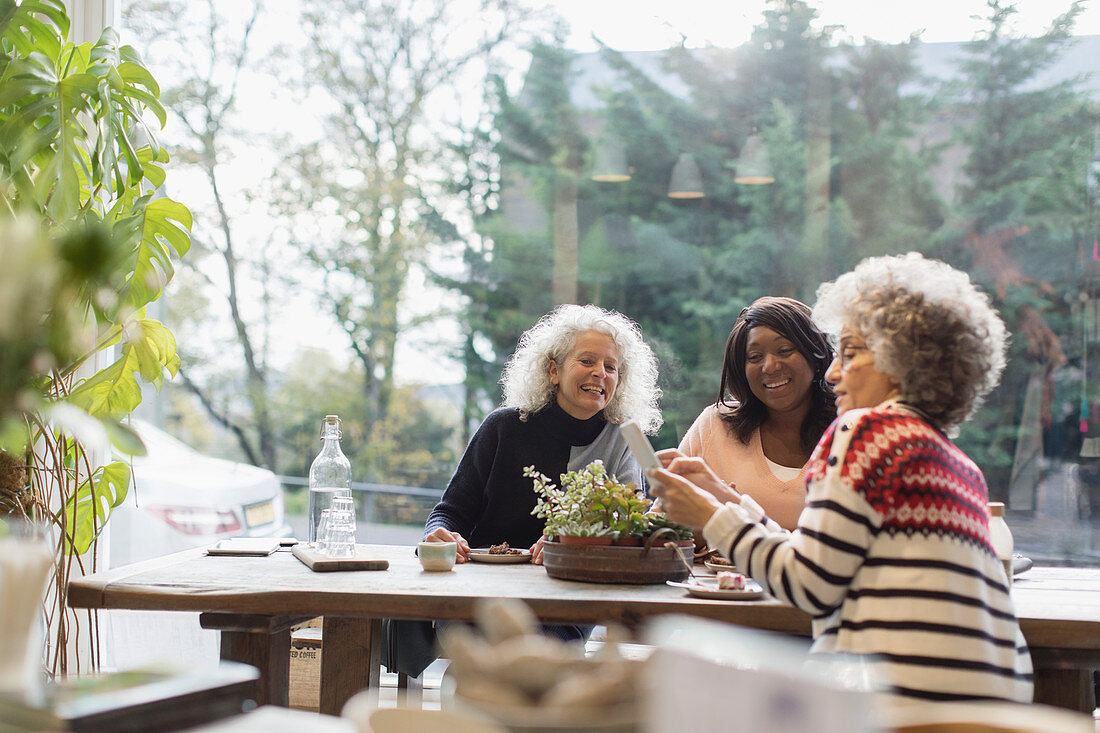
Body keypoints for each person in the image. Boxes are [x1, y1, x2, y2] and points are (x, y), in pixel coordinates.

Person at [651, 253, 1033, 703]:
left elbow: (807, 584)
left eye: (850, 353)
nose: (832, 372)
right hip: (987, 707)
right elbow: (823, 556)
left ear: (901, 360)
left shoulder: (867, 432)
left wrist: (712, 516)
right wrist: (719, 497)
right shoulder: (958, 464)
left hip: (898, 707)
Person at [384, 303, 662, 678]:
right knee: (490, 659)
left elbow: (631, 524)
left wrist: (572, 544)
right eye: (587, 361)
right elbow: (450, 511)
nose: (600, 373)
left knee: (528, 666)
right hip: (479, 596)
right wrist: (438, 533)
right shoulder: (502, 428)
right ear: (553, 369)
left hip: (566, 604)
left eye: (611, 367)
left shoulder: (623, 440)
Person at [678, 296, 835, 530]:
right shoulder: (715, 425)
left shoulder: (851, 431)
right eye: (755, 357)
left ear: (815, 353)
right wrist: (711, 516)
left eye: (784, 350)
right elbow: (663, 527)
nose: (770, 366)